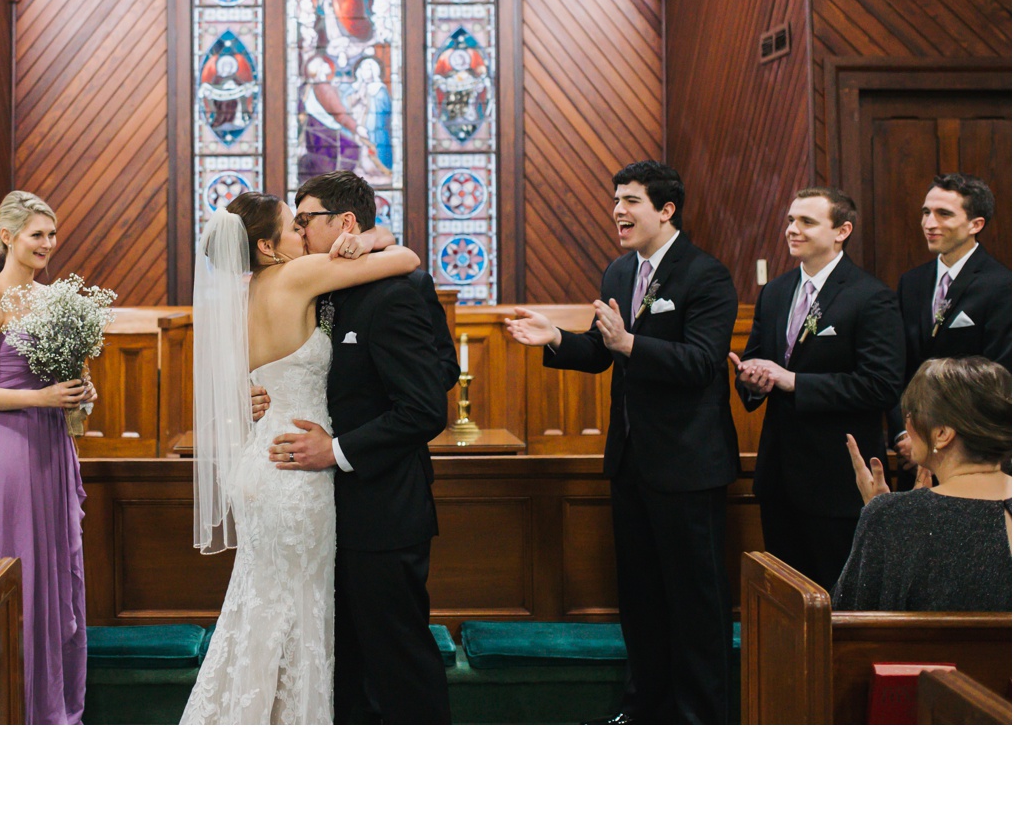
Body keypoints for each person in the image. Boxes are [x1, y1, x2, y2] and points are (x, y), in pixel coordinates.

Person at [504, 161, 739, 725]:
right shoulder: (619, 272)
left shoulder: (706, 275)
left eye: (631, 201)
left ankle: (702, 722)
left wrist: (631, 344)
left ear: (666, 209)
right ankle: (644, 712)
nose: (618, 211)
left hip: (689, 468)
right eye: (615, 201)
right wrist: (558, 338)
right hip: (632, 463)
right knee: (640, 602)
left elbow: (703, 363)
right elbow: (604, 351)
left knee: (695, 607)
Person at [181, 191, 418, 725]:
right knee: (300, 612)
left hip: (259, 461)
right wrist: (372, 240)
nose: (302, 235)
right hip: (297, 471)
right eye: (292, 228)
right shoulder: (296, 275)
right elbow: (407, 260)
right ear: (266, 246)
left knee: (260, 607)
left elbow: (240, 387)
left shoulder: (240, 298)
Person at [266, 171, 454, 724]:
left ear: (345, 222)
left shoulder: (395, 291)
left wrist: (338, 449)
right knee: (342, 665)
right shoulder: (317, 288)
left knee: (396, 662)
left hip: (383, 505)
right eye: (293, 224)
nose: (299, 234)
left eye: (306, 221)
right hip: (323, 513)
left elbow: (426, 402)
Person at [0, 190, 95, 724]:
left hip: (51, 446)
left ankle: (57, 704)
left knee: (58, 570)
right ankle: (14, 709)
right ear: (7, 237)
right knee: (17, 569)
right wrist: (39, 398)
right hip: (9, 448)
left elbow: (67, 373)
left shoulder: (56, 297)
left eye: (51, 234)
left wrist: (81, 390)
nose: (47, 244)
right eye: (36, 234)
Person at [731, 187, 904, 592]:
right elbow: (759, 361)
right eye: (791, 220)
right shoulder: (775, 292)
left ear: (842, 230)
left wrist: (794, 381)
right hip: (779, 475)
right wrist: (752, 381)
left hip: (837, 480)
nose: (792, 229)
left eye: (806, 222)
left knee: (835, 595)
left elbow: (881, 385)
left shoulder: (870, 296)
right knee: (786, 598)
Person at [837, 357, 1011, 611]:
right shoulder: (896, 515)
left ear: (942, 433)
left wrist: (887, 515)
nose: (906, 424)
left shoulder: (893, 515)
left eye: (912, 414)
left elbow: (847, 626)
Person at [892, 174, 1010, 479]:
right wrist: (905, 435)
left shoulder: (1002, 285)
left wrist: (943, 441)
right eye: (926, 212)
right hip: (914, 450)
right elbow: (899, 367)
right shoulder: (911, 283)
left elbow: (999, 373)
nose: (929, 223)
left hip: (973, 453)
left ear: (976, 224)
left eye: (944, 214)